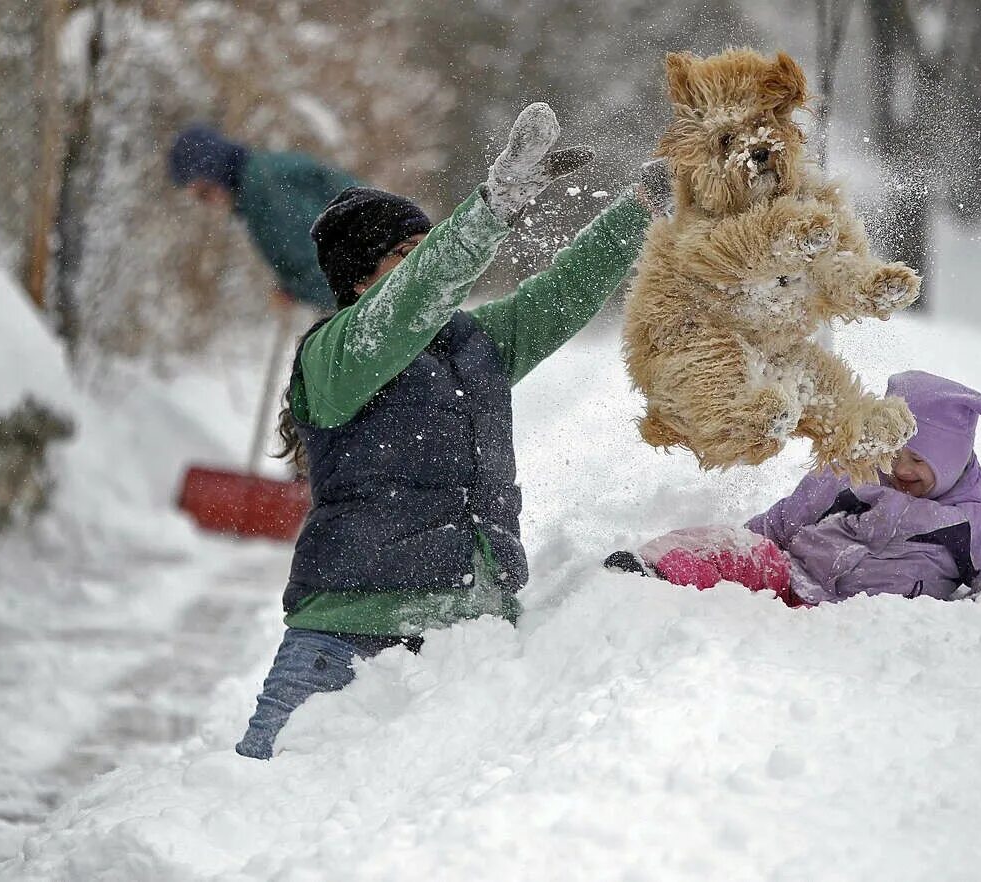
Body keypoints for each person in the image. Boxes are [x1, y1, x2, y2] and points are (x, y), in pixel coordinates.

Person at [236, 103, 666, 759]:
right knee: (248, 823)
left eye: (429, 248)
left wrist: (643, 206)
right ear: (359, 280)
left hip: (467, 643)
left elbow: (565, 293)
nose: (436, 268)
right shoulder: (338, 352)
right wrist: (492, 208)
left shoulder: (471, 343)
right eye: (409, 255)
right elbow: (416, 297)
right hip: (347, 647)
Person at [606, 371, 981, 610]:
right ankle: (652, 570)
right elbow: (776, 525)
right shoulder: (848, 477)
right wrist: (744, 549)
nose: (901, 469)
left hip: (875, 618)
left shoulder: (971, 526)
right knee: (739, 547)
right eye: (892, 452)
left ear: (952, 461)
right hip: (795, 580)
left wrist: (979, 615)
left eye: (919, 460)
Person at [168, 125, 361, 312]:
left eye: (204, 192)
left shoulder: (262, 192)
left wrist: (297, 291)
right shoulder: (261, 177)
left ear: (216, 173)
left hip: (375, 280)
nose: (207, 203)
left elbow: (324, 266)